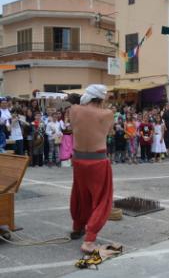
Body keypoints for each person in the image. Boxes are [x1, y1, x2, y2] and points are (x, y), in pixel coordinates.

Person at [69, 84, 114, 253]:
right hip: (98, 160)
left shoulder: (74, 110)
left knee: (80, 194)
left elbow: (74, 128)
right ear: (101, 98)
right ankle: (89, 240)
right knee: (102, 199)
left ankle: (77, 227)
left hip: (79, 159)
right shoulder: (107, 113)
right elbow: (107, 132)